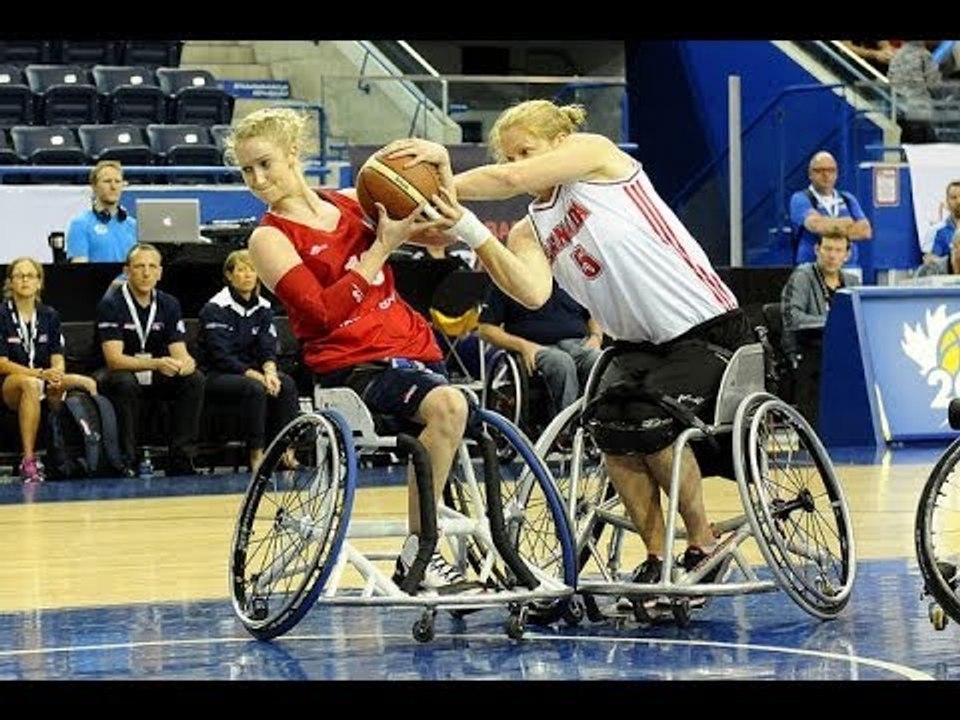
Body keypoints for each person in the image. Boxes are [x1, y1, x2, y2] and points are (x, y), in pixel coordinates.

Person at [383, 99, 755, 590]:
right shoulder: (528, 228)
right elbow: (531, 292)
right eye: (509, 156)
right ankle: (654, 554)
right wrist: (471, 231)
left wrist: (437, 181)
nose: (518, 165)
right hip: (638, 345)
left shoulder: (595, 155)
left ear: (557, 144)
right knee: (608, 427)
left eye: (525, 151)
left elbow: (510, 182)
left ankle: (702, 542)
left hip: (707, 326)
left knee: (649, 420)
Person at [224, 107, 477, 594]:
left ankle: (485, 550)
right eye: (246, 170)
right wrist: (380, 250)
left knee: (464, 420)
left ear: (294, 155)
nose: (256, 179)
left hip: (415, 348)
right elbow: (320, 315)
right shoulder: (268, 237)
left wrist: (437, 176)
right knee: (449, 406)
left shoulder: (348, 202)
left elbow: (439, 233)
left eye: (265, 164)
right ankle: (419, 553)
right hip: (352, 368)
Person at [94, 243, 205, 476]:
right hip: (112, 371)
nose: (146, 273)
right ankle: (128, 460)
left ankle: (181, 458)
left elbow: (180, 352)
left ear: (160, 273)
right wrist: (157, 363)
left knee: (194, 380)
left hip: (153, 369)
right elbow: (114, 359)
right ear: (127, 271)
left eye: (152, 266)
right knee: (124, 382)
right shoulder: (111, 304)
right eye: (139, 266)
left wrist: (185, 365)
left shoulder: (169, 303)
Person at [197, 249, 299, 473]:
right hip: (218, 374)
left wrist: (270, 371)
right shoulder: (214, 308)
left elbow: (267, 346)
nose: (248, 275)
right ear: (229, 275)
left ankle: (286, 451)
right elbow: (220, 356)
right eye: (241, 270)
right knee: (255, 388)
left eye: (252, 270)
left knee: (287, 384)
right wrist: (257, 376)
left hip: (255, 371)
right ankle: (256, 454)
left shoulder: (263, 308)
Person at [0, 257, 97, 482]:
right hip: (11, 382)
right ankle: (28, 459)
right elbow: (2, 362)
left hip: (42, 377)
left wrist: (56, 374)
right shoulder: (3, 315)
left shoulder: (49, 315)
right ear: (10, 283)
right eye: (19, 275)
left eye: (30, 275)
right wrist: (40, 374)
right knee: (30, 384)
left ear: (39, 282)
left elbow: (57, 358)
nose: (25, 280)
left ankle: (88, 454)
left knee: (86, 382)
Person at [478, 279, 602, 417]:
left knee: (599, 361)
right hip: (536, 346)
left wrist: (596, 337)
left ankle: (598, 422)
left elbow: (594, 314)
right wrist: (523, 346)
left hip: (578, 344)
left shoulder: (571, 274)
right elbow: (486, 329)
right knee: (561, 363)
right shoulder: (508, 277)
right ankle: (566, 431)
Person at [780, 234, 860, 427]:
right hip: (809, 354)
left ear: (847, 255)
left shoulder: (852, 282)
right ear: (817, 250)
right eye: (828, 249)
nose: (832, 255)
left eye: (838, 250)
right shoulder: (803, 276)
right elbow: (792, 317)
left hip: (841, 356)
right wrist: (834, 322)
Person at [789, 151, 872, 268]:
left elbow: (865, 230)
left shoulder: (848, 198)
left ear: (837, 173)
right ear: (810, 174)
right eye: (820, 170)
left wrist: (829, 226)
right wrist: (847, 222)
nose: (826, 175)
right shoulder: (800, 199)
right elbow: (817, 226)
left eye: (831, 170)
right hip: (813, 268)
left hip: (848, 267)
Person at [65, 160, 138, 263]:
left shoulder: (133, 225)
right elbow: (79, 270)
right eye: (107, 181)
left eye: (117, 181)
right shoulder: (80, 224)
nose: (113, 187)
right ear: (94, 186)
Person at [888, 41, 942, 144]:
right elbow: (934, 84)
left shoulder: (896, 56)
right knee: (928, 145)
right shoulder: (924, 55)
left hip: (901, 110)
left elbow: (891, 79)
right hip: (920, 110)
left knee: (908, 144)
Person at [920, 180, 960, 264]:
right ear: (947, 201)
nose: (958, 201)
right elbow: (929, 261)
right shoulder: (935, 231)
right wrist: (952, 260)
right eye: (954, 197)